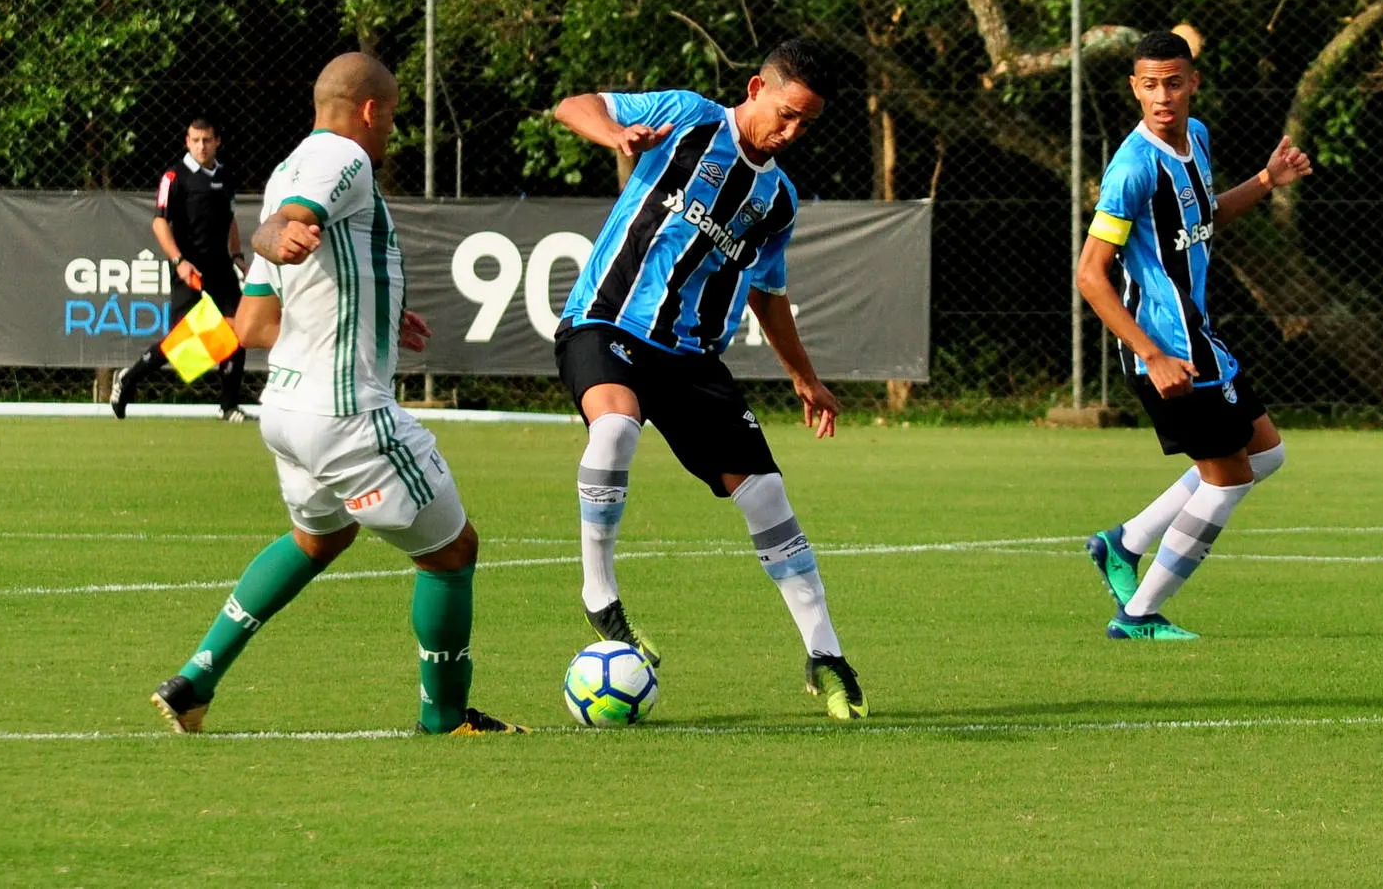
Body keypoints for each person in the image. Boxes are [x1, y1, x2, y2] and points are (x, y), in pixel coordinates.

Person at [150, 52, 526, 736]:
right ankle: (445, 719)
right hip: (346, 411)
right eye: (392, 120)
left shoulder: (285, 168)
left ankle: (195, 680)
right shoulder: (343, 161)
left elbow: (252, 325)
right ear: (370, 110)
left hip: (288, 408)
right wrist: (277, 234)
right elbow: (285, 227)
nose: (390, 135)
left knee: (318, 538)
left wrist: (375, 308)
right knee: (452, 552)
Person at [550, 37, 867, 720]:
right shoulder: (689, 117)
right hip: (606, 323)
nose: (791, 132)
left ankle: (827, 657)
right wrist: (614, 133)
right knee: (614, 428)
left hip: (691, 358)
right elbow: (572, 104)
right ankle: (599, 596)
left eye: (806, 123)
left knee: (769, 498)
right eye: (785, 113)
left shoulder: (777, 201)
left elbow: (768, 293)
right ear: (756, 88)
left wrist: (805, 379)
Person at [1076, 31, 1312, 640]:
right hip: (1165, 349)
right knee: (1230, 477)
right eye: (1149, 85)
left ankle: (1123, 543)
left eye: (1173, 83)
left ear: (1193, 84)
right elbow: (1090, 275)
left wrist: (1265, 180)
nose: (1162, 97)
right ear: (1134, 88)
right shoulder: (1131, 169)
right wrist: (1151, 354)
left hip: (1198, 337)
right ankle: (1139, 614)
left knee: (1266, 455)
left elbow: (1203, 221)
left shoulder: (1197, 138)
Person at [111, 119, 249, 421]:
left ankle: (228, 407)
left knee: (238, 331)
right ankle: (128, 378)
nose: (202, 146)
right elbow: (159, 221)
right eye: (196, 140)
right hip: (190, 269)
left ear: (217, 142)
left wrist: (237, 255)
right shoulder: (174, 177)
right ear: (187, 141)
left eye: (207, 140)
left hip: (221, 268)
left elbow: (231, 218)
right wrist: (179, 261)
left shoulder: (225, 176)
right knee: (182, 341)